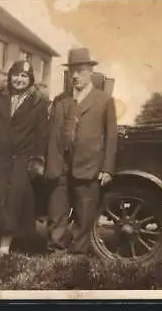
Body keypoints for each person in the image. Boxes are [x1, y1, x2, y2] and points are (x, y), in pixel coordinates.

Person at [44, 47, 118, 255]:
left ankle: (77, 253)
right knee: (56, 210)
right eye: (72, 72)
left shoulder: (104, 100)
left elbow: (111, 136)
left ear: (90, 73)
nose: (75, 76)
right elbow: (51, 132)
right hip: (59, 164)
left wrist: (107, 168)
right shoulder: (60, 100)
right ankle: (56, 250)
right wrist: (49, 162)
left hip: (89, 166)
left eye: (81, 71)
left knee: (84, 214)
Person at [0, 60, 49, 255]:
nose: (19, 79)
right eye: (16, 75)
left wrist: (36, 162)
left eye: (24, 76)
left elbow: (42, 134)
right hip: (0, 158)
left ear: (30, 80)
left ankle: (6, 244)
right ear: (10, 77)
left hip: (22, 159)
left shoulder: (39, 102)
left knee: (15, 199)